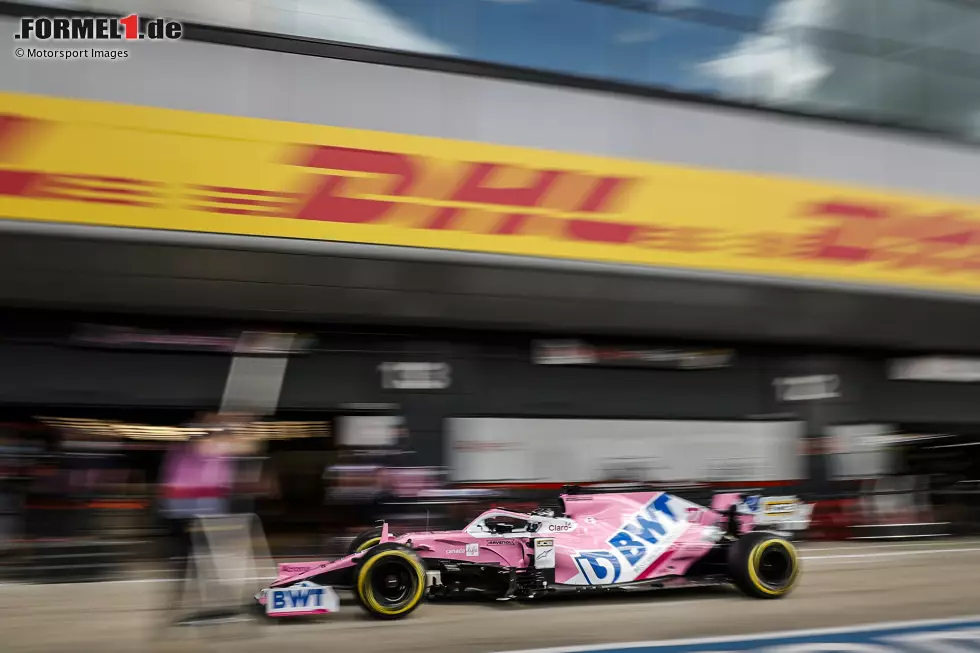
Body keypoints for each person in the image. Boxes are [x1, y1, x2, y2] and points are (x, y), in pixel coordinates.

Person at [157, 413, 234, 624]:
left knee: (206, 556)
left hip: (206, 508)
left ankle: (207, 600)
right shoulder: (190, 449)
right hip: (186, 509)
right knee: (189, 556)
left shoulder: (219, 451)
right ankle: (186, 601)